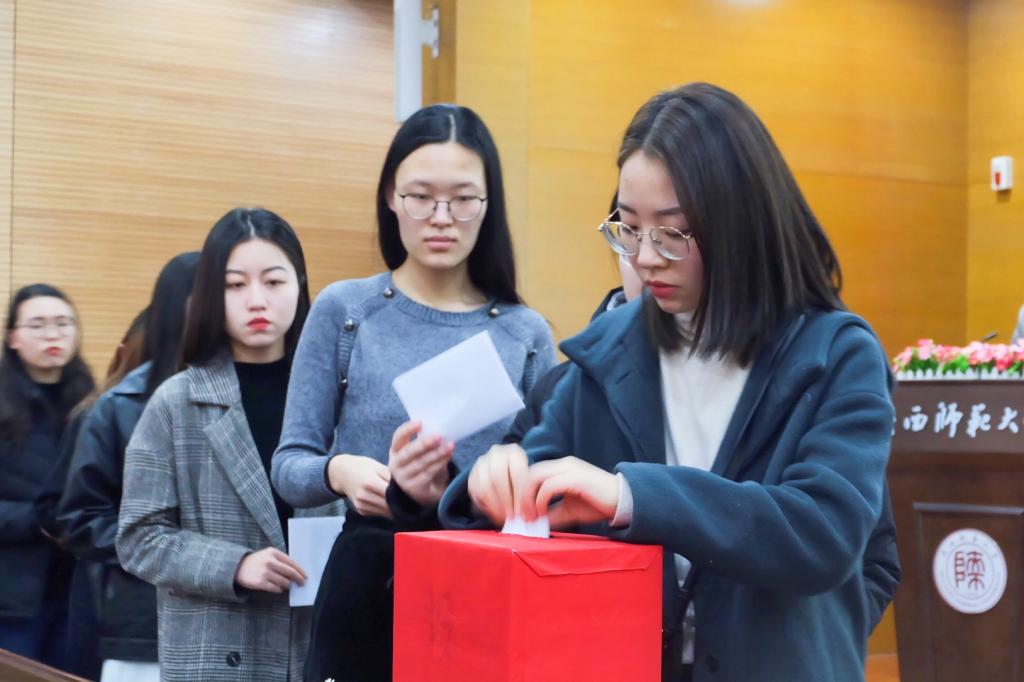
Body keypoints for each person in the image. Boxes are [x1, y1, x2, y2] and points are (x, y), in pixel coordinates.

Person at [441, 83, 899, 682]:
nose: (645, 257)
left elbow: (825, 533)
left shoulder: (835, 353)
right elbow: (534, 479)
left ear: (740, 225)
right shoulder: (610, 351)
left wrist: (631, 496)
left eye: (673, 233)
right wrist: (495, 483)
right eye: (628, 228)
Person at [271, 103, 555, 682]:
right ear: (390, 197)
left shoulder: (525, 333)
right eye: (421, 197)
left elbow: (547, 480)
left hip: (485, 577)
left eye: (463, 199)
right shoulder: (346, 310)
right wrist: (343, 471)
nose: (441, 218)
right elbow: (289, 465)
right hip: (367, 576)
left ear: (489, 203)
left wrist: (465, 488)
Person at [117, 209, 329, 681]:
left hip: (316, 645)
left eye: (274, 282)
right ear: (211, 295)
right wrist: (234, 565)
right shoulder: (176, 402)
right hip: (216, 655)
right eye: (235, 285)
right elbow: (138, 538)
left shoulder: (331, 394)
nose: (257, 300)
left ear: (299, 286)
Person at [58, 251, 200, 682]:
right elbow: (80, 519)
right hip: (144, 623)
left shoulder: (262, 391)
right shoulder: (118, 406)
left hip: (248, 617)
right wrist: (167, 547)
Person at [0, 284, 94, 669]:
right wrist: (38, 521)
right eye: (37, 325)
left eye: (64, 323)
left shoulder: (95, 403)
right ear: (13, 338)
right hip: (12, 595)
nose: (53, 334)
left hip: (78, 588)